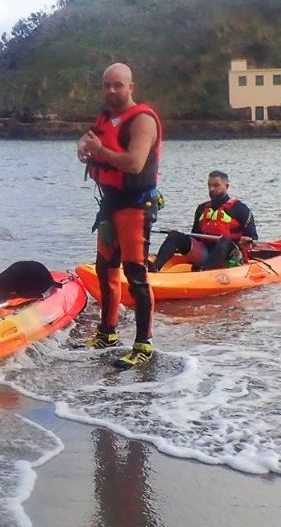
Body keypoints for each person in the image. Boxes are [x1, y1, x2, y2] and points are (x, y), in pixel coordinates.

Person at [77, 63, 163, 368]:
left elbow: (135, 164)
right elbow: (91, 141)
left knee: (136, 275)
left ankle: (144, 344)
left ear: (131, 87)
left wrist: (99, 151)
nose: (112, 90)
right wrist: (83, 148)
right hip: (110, 203)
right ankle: (108, 333)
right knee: (105, 269)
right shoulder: (105, 116)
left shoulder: (142, 120)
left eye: (118, 85)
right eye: (107, 85)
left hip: (135, 205)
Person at [151, 171, 257, 272]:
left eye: (216, 185)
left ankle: (205, 269)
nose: (211, 189)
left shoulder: (240, 209)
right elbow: (195, 236)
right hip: (205, 252)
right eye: (209, 185)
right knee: (175, 235)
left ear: (227, 186)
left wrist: (247, 241)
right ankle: (154, 268)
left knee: (224, 241)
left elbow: (254, 238)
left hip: (229, 254)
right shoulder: (202, 208)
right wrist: (179, 239)